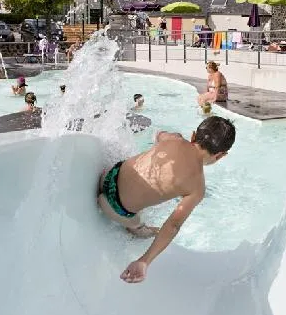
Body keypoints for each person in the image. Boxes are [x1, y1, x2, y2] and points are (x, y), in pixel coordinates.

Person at [97, 116, 236, 283]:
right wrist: (144, 260)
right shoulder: (197, 187)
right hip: (114, 208)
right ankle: (140, 228)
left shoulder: (175, 139)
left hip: (109, 176)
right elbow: (173, 226)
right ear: (220, 156)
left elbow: (158, 135)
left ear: (193, 136)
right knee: (139, 225)